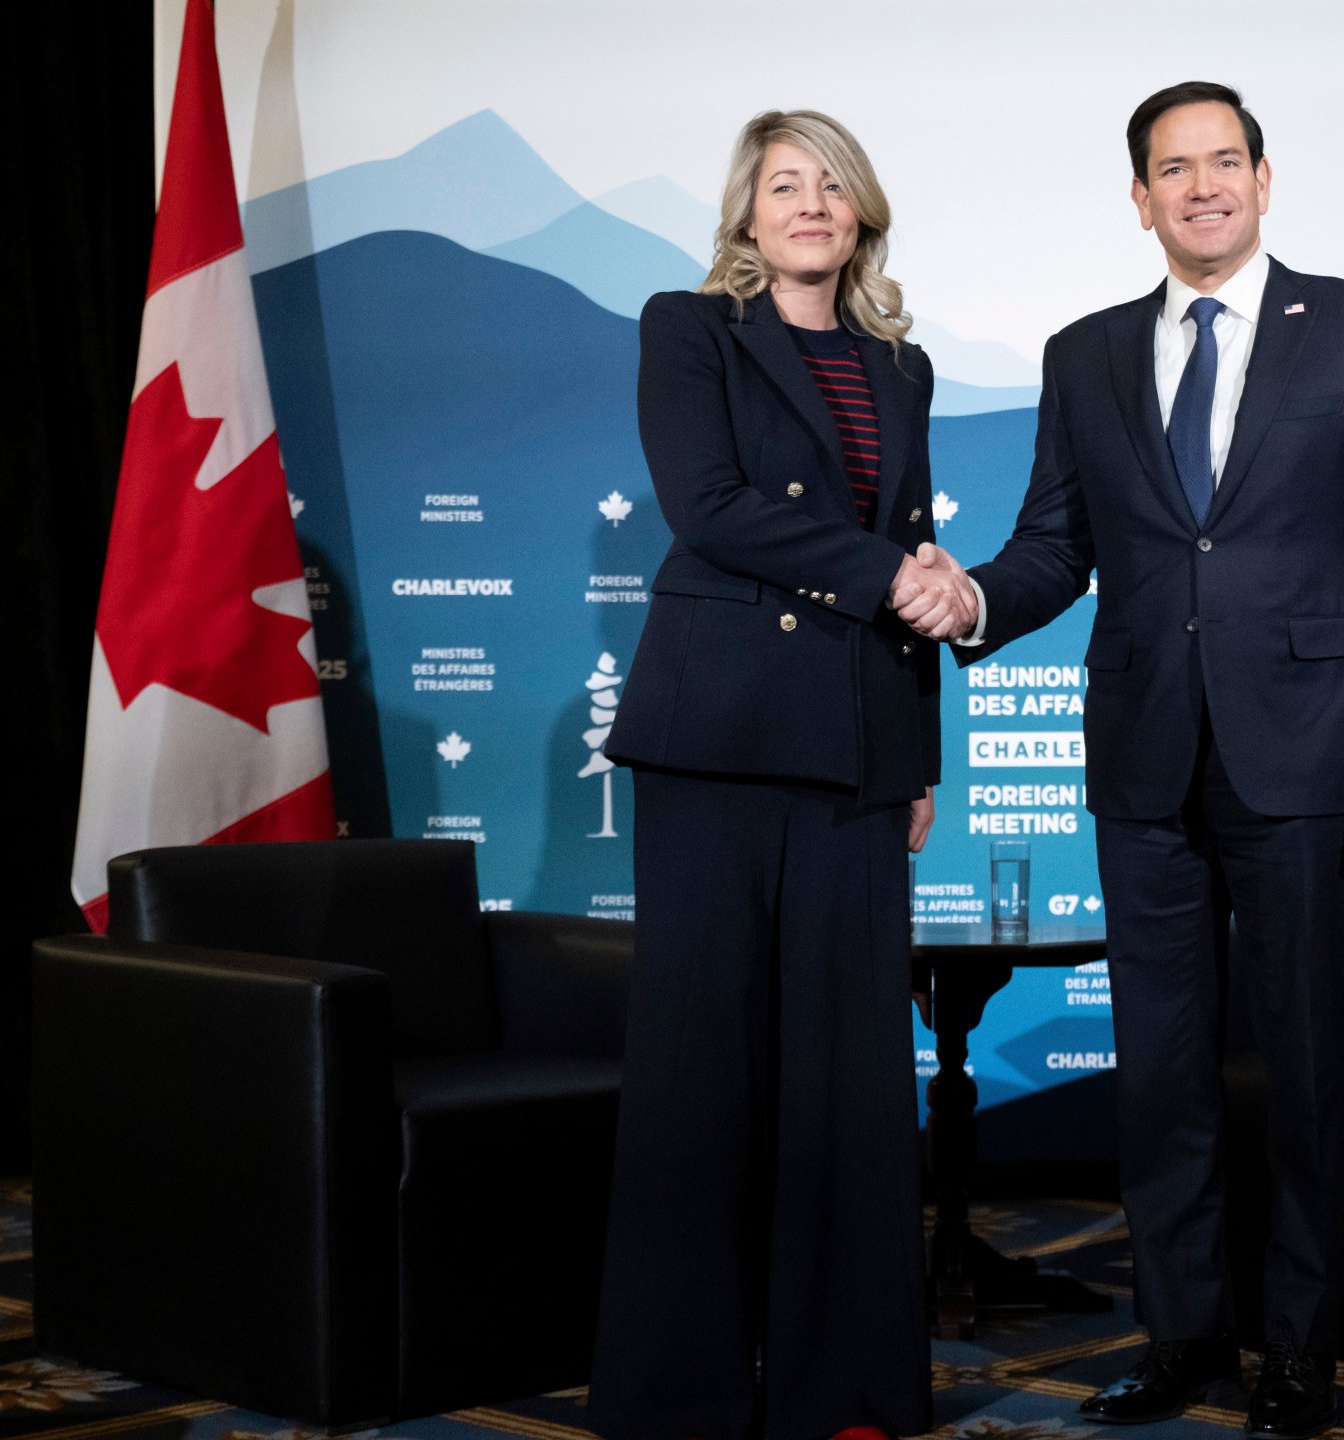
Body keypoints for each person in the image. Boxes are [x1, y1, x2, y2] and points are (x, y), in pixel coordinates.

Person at [893, 81, 1344, 1436]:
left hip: (1311, 751)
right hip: (1145, 761)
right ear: (1139, 199)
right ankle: (1183, 1337)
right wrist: (971, 600)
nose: (1201, 186)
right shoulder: (1084, 354)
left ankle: (1301, 1351)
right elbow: (1055, 545)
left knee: (1305, 1065)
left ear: (1264, 181)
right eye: (1172, 168)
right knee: (1160, 1070)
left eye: (1224, 162)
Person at [590, 109, 967, 1440]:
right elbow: (713, 510)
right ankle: (676, 1394)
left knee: (852, 1083)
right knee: (701, 1071)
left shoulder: (899, 364)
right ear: (748, 215)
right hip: (718, 742)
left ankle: (845, 1390)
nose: (809, 204)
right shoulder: (687, 329)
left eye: (830, 185)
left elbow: (909, 533)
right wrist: (896, 582)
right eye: (782, 184)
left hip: (860, 752)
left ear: (860, 212)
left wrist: (919, 753)